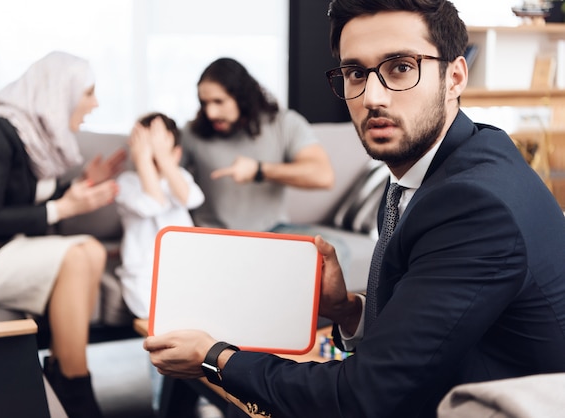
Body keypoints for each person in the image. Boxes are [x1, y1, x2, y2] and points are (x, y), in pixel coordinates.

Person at [142, 1, 565, 417]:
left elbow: (362, 398)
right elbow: (428, 330)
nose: (372, 97)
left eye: (400, 67)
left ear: (454, 77)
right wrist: (346, 308)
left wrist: (215, 358)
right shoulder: (427, 169)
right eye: (355, 73)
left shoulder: (474, 204)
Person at [0, 51, 126, 418]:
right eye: (88, 92)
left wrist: (81, 186)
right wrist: (64, 208)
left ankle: (63, 372)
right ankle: (74, 385)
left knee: (91, 252)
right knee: (78, 253)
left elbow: (25, 199)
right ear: (60, 91)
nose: (95, 103)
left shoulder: (39, 137)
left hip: (2, 249)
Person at [180, 57, 334, 232]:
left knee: (332, 248)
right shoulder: (191, 132)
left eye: (219, 102)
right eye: (204, 103)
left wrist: (259, 170)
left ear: (242, 97)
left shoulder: (284, 123)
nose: (210, 113)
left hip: (272, 230)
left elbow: (323, 176)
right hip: (212, 233)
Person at [115, 112, 205, 319]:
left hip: (183, 265)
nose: (154, 158)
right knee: (156, 318)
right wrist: (144, 160)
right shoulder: (127, 182)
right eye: (146, 150)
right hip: (142, 272)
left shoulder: (179, 177)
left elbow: (190, 199)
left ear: (176, 154)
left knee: (193, 314)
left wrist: (164, 159)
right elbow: (153, 204)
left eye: (160, 151)